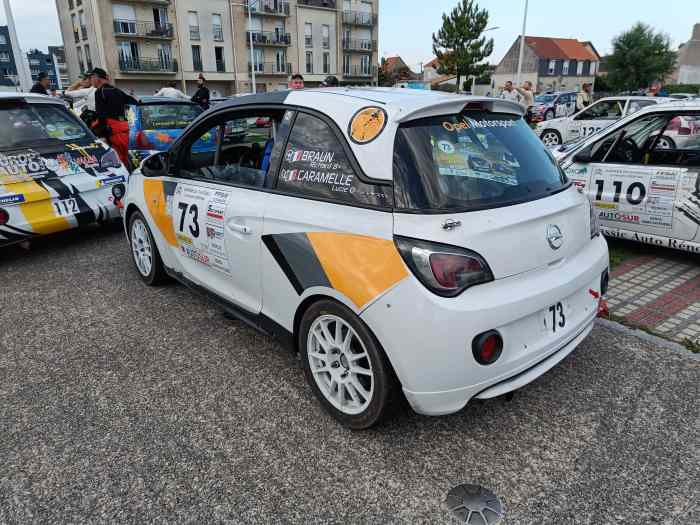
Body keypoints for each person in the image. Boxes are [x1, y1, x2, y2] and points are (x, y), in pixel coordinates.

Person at [90, 67, 137, 166]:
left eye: (91, 77)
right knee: (126, 157)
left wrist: (101, 134)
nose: (91, 80)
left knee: (117, 160)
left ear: (97, 78)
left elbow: (101, 114)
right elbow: (134, 102)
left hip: (112, 130)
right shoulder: (116, 90)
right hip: (124, 127)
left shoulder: (100, 92)